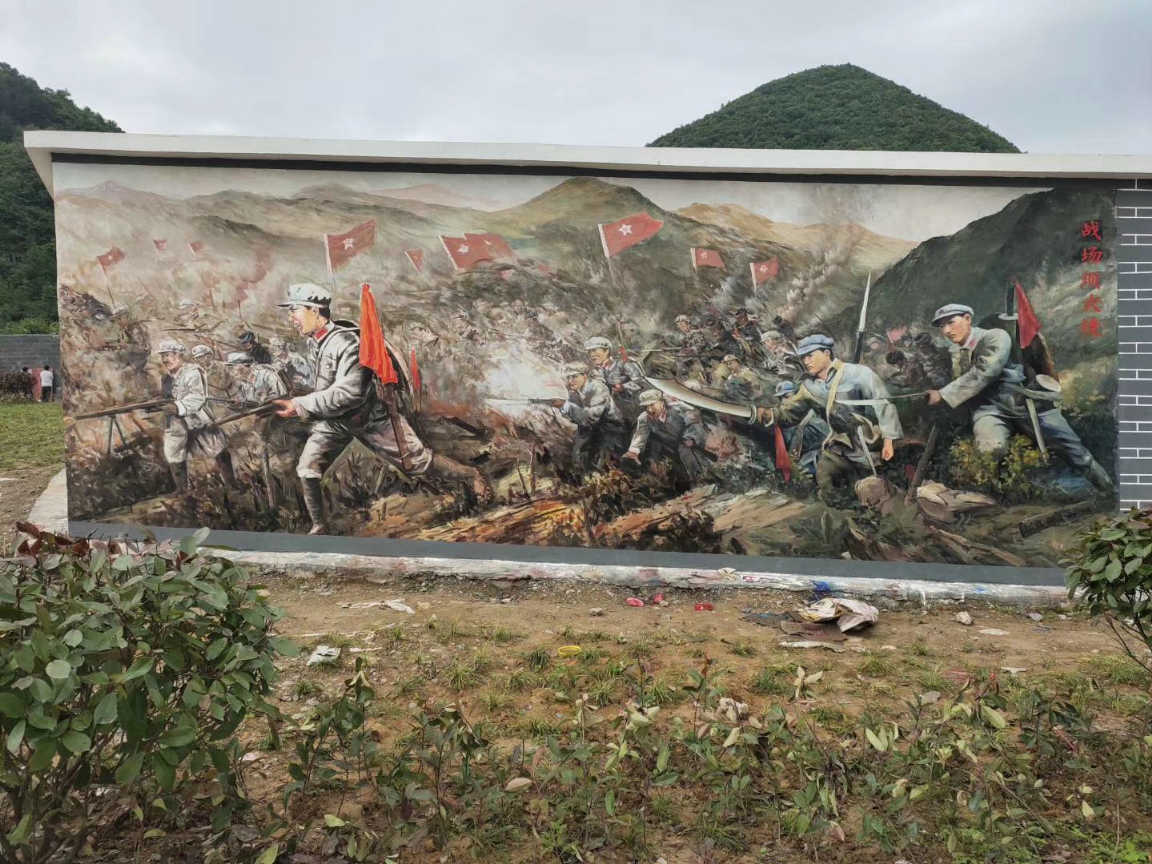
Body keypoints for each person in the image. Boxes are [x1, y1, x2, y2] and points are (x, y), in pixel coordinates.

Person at [271, 283, 491, 535]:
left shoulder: (347, 343)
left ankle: (471, 475)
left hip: (369, 418)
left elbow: (349, 393)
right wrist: (295, 401)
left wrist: (300, 404)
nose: (291, 317)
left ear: (314, 310)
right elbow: (325, 387)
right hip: (336, 420)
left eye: (294, 310)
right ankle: (320, 527)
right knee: (307, 468)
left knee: (417, 462)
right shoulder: (316, 342)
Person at [925, 303, 1113, 491]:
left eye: (951, 322)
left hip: (1026, 403)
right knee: (989, 450)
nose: (947, 330)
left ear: (967, 319)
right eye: (942, 326)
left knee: (1075, 451)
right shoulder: (958, 354)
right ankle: (1000, 498)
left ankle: (1108, 490)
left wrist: (943, 394)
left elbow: (986, 371)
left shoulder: (995, 337)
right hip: (991, 409)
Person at [756, 334, 902, 500]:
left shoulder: (857, 372)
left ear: (826, 353)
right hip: (840, 443)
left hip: (869, 439)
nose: (806, 361)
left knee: (886, 480)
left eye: (810, 355)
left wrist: (889, 439)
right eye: (803, 357)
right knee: (827, 481)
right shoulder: (809, 387)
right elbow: (790, 412)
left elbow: (884, 403)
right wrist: (769, 414)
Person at [154, 340, 236, 492]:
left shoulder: (193, 372)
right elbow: (167, 398)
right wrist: (157, 404)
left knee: (216, 446)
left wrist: (177, 407)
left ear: (178, 355)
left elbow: (197, 397)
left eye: (167, 355)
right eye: (162, 356)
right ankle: (182, 491)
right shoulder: (166, 378)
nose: (164, 360)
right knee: (173, 452)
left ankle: (233, 486)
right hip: (175, 422)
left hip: (197, 417)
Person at [551, 360, 628, 473]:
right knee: (577, 456)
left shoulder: (598, 388)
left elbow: (591, 418)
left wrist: (565, 406)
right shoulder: (573, 394)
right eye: (568, 377)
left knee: (605, 462)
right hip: (589, 428)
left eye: (574, 376)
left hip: (610, 428)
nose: (570, 381)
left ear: (585, 376)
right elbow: (576, 419)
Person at [623, 389, 711, 483]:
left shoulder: (678, 409)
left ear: (661, 402)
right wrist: (633, 451)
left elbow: (696, 423)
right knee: (692, 473)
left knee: (708, 465)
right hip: (675, 451)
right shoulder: (644, 419)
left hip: (696, 443)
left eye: (652, 405)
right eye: (646, 407)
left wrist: (692, 438)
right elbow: (640, 435)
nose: (649, 409)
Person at [772, 380, 831, 479]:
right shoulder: (786, 424)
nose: (783, 402)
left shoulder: (816, 420)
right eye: (780, 398)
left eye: (786, 396)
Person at [584, 336, 646, 418]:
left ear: (606, 351)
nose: (592, 354)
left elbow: (641, 382)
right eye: (589, 352)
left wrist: (623, 387)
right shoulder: (595, 371)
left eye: (594, 350)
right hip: (611, 413)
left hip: (632, 409)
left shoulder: (624, 363)